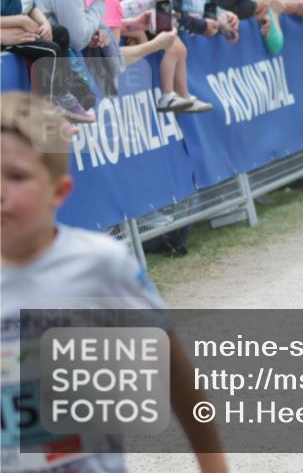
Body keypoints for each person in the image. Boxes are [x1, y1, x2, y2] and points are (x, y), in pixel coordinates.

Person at [0, 91, 229, 473]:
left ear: (59, 192)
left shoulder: (99, 264)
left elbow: (174, 374)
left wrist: (214, 466)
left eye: (17, 176)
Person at [121, 0, 214, 113]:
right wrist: (136, 34)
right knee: (172, 46)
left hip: (137, 29)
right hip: (122, 35)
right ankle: (167, 96)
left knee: (180, 48)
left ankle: (183, 95)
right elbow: (115, 18)